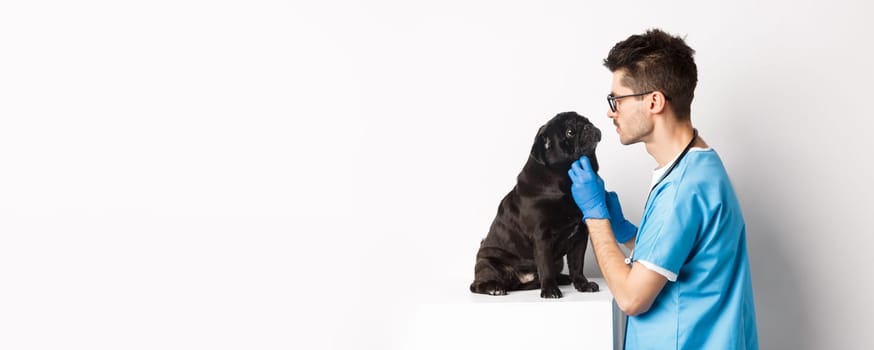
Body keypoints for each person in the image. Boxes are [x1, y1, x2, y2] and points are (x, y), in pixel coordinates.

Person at [567, 29, 759, 349]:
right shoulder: (699, 168)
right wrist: (628, 233)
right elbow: (682, 255)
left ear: (654, 101)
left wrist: (596, 218)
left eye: (617, 99)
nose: (610, 111)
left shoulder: (683, 189)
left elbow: (631, 298)